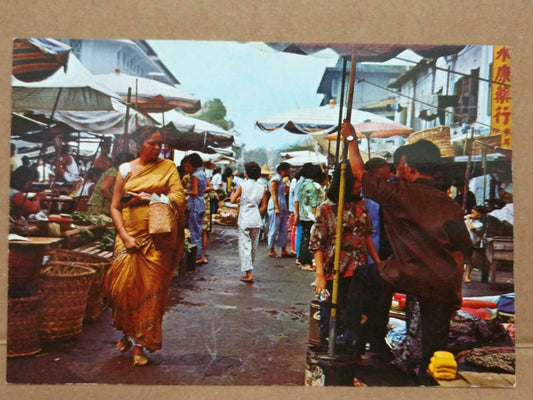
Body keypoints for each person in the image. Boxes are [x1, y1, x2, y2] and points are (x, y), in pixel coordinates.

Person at [341, 121, 473, 384]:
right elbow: (459, 254)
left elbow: (358, 172)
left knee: (364, 275)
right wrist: (455, 291)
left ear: (411, 169)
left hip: (405, 273)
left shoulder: (396, 192)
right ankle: (427, 383)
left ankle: (352, 333)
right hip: (441, 283)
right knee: (435, 350)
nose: (395, 169)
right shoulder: (450, 205)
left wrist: (351, 140)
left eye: (399, 165)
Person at [105, 125, 185, 366]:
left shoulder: (168, 167)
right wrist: (125, 237)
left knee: (149, 293)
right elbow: (115, 206)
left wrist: (149, 198)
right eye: (153, 143)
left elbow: (179, 198)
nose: (158, 148)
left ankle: (141, 343)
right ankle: (127, 333)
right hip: (128, 235)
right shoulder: (125, 170)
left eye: (160, 143)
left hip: (157, 240)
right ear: (139, 145)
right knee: (121, 290)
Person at [309, 163, 379, 351]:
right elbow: (317, 244)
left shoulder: (361, 204)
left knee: (354, 317)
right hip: (334, 272)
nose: (360, 184)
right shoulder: (327, 208)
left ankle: (350, 356)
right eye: (357, 180)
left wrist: (378, 264)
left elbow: (366, 236)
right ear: (346, 181)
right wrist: (319, 275)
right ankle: (328, 354)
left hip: (358, 272)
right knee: (331, 316)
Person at [230, 161, 268, 283]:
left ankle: (249, 273)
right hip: (256, 219)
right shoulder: (262, 187)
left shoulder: (242, 185)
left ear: (246, 173)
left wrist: (242, 203)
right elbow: (264, 206)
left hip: (244, 219)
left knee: (245, 246)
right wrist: (255, 211)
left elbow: (232, 200)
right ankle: (250, 271)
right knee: (253, 247)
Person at [183, 153, 208, 264]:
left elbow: (194, 192)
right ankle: (200, 256)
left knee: (194, 231)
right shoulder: (202, 173)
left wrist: (185, 191)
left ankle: (196, 257)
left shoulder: (195, 175)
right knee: (198, 229)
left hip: (195, 203)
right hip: (201, 202)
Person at [297, 164, 322, 271]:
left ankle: (302, 260)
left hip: (303, 214)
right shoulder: (312, 186)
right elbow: (314, 204)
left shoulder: (303, 184)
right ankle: (305, 262)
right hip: (309, 216)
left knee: (304, 237)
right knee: (308, 239)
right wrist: (317, 216)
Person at [267, 162, 292, 257]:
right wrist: (277, 207)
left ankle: (283, 248)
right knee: (273, 228)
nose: (289, 172)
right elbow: (274, 194)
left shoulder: (281, 180)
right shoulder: (275, 179)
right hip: (275, 205)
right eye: (287, 170)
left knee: (283, 229)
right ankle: (271, 248)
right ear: (282, 171)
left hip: (282, 204)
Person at [464, 205, 487, 283]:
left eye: (473, 213)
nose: (471, 215)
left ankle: (467, 276)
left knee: (469, 261)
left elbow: (472, 228)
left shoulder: (479, 224)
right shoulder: (468, 221)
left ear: (479, 215)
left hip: (470, 243)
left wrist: (467, 219)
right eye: (471, 213)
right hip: (463, 242)